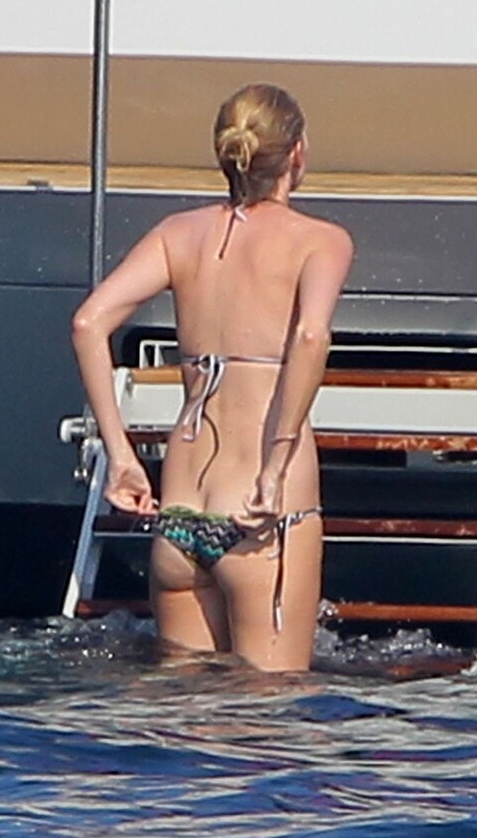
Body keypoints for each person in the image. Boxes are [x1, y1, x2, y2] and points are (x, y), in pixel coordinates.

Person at [70, 84, 353, 671]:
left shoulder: (177, 234)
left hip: (180, 515)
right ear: (297, 153)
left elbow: (89, 323)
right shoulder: (321, 242)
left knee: (184, 708)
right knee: (270, 708)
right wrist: (275, 469)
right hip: (261, 511)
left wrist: (121, 458)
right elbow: (310, 337)